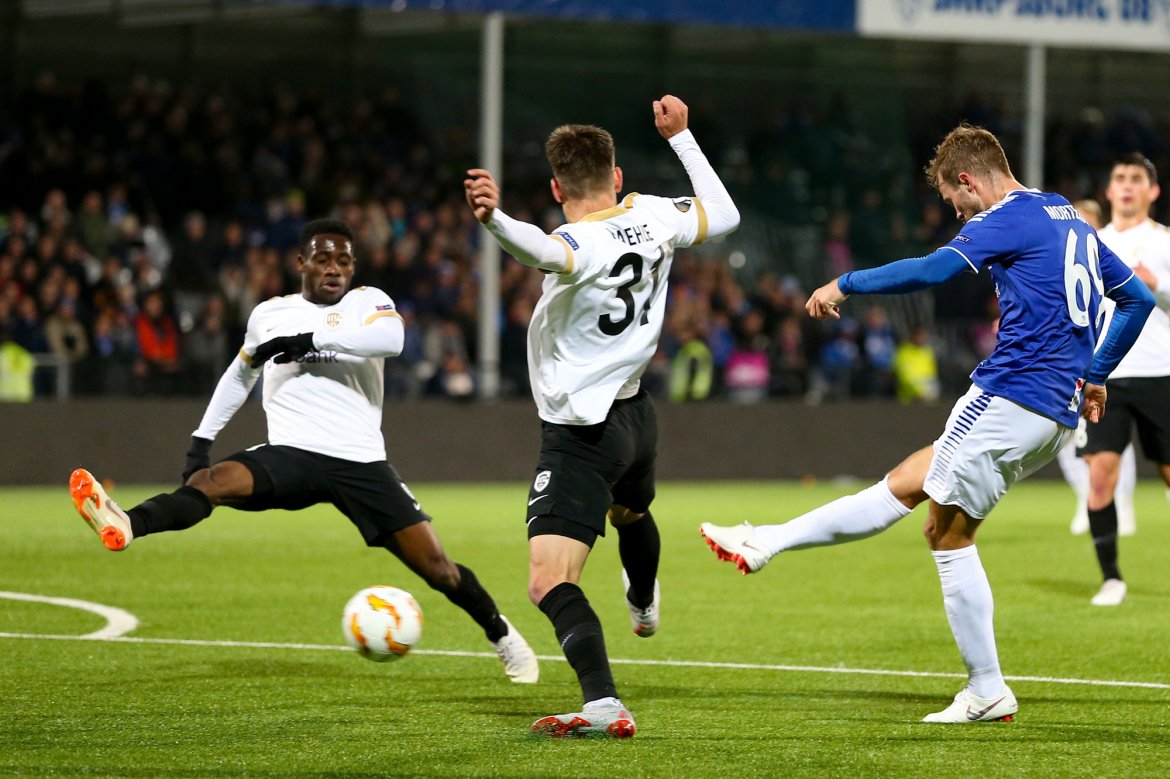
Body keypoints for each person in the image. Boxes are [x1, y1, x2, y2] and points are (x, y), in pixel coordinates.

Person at [700, 125, 1154, 724]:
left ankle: (987, 689)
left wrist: (846, 282)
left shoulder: (1006, 217)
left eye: (951, 198)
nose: (955, 212)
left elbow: (933, 269)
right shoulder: (1068, 216)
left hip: (1010, 393)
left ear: (968, 179)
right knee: (909, 482)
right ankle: (767, 540)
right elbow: (1138, 300)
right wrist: (1095, 374)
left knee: (946, 534)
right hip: (1054, 412)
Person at [68, 218, 539, 684]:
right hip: (292, 453)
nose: (334, 268)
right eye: (323, 258)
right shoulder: (269, 314)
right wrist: (200, 442)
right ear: (301, 263)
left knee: (438, 569)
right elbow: (240, 375)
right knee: (207, 483)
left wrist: (311, 340)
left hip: (360, 461)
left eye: (344, 260)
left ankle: (502, 635)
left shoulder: (367, 302)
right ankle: (128, 523)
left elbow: (392, 341)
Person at [464, 94, 739, 738]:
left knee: (547, 580)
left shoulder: (577, 241)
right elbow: (725, 214)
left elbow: (541, 252)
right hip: (636, 417)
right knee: (631, 513)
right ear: (617, 177)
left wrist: (493, 217)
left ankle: (604, 704)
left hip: (583, 434)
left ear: (556, 187)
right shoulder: (654, 214)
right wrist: (682, 137)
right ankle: (642, 601)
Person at [1077, 154, 1170, 606]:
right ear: (1110, 191)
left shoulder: (1165, 242)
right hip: (1106, 375)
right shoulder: (1092, 244)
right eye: (1120, 178)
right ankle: (1111, 578)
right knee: (1100, 476)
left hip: (1160, 371)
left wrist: (1159, 287)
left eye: (1137, 179)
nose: (1128, 185)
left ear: (1153, 191)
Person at [1059, 199, 1138, 539]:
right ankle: (1085, 498)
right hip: (1071, 359)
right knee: (1067, 435)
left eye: (1088, 221)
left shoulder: (1110, 257)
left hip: (1110, 363)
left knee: (1111, 440)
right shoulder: (1062, 261)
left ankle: (1123, 503)